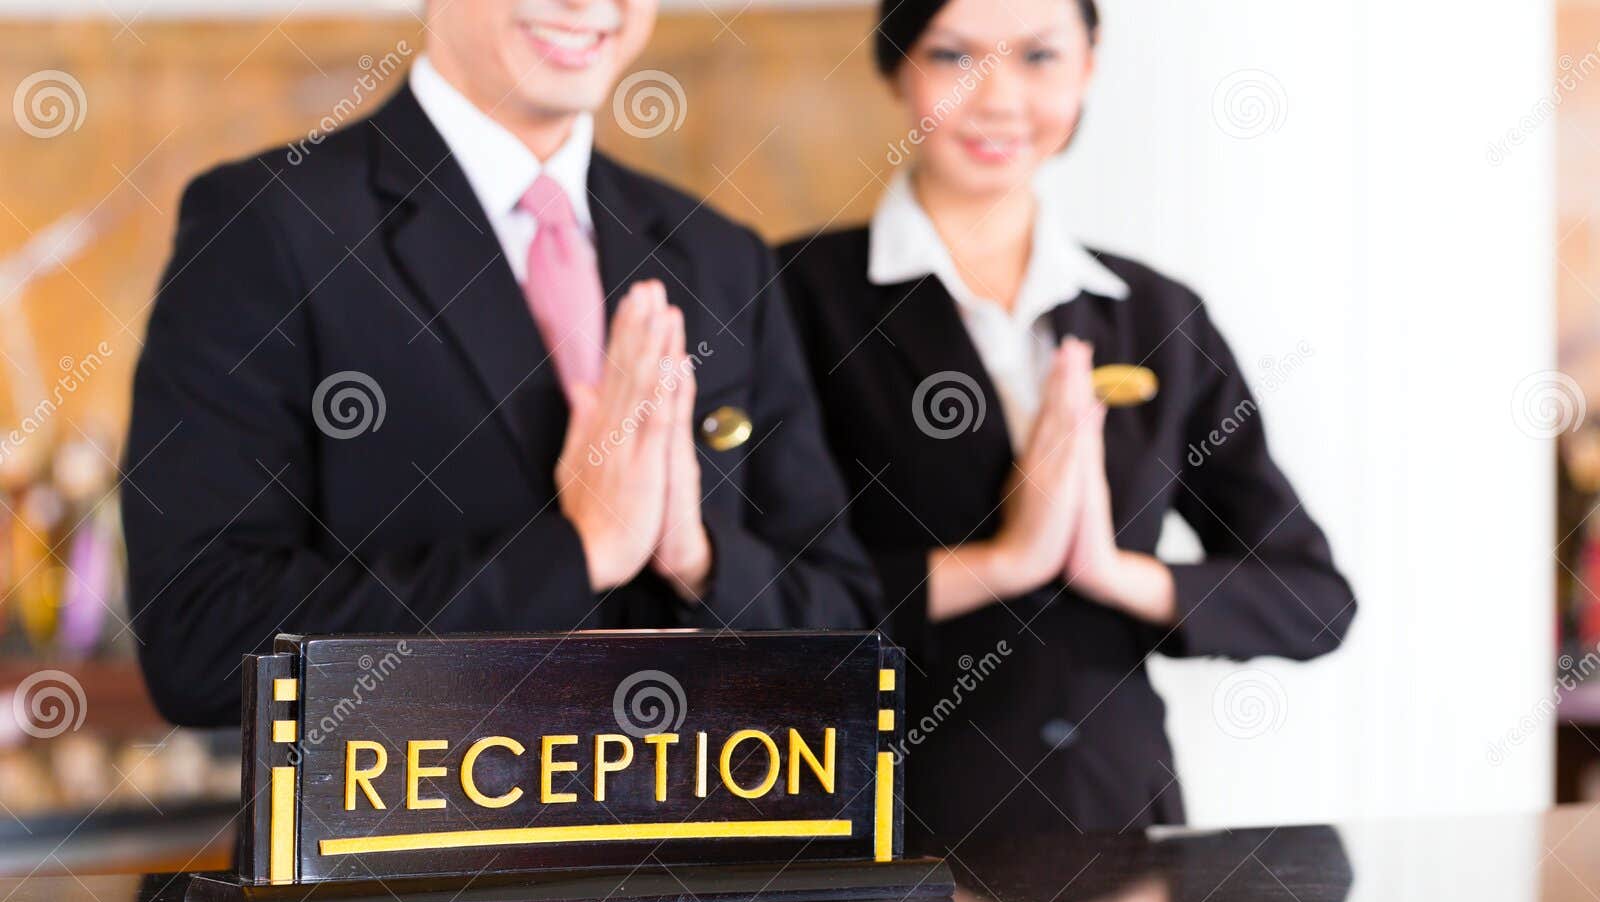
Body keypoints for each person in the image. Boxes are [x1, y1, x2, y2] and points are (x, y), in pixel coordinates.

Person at [123, 0, 877, 727]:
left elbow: (853, 630)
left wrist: (699, 558)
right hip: (408, 850)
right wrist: (576, 554)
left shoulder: (720, 257)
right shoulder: (272, 225)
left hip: (697, 848)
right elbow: (203, 640)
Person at [779, 0, 1356, 849]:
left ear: (1089, 67)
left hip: (1120, 834)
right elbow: (749, 603)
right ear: (897, 66)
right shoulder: (788, 295)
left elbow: (1313, 601)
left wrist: (1112, 571)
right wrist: (999, 563)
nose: (998, 97)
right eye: (954, 55)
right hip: (878, 835)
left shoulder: (1158, 314)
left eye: (1040, 57)